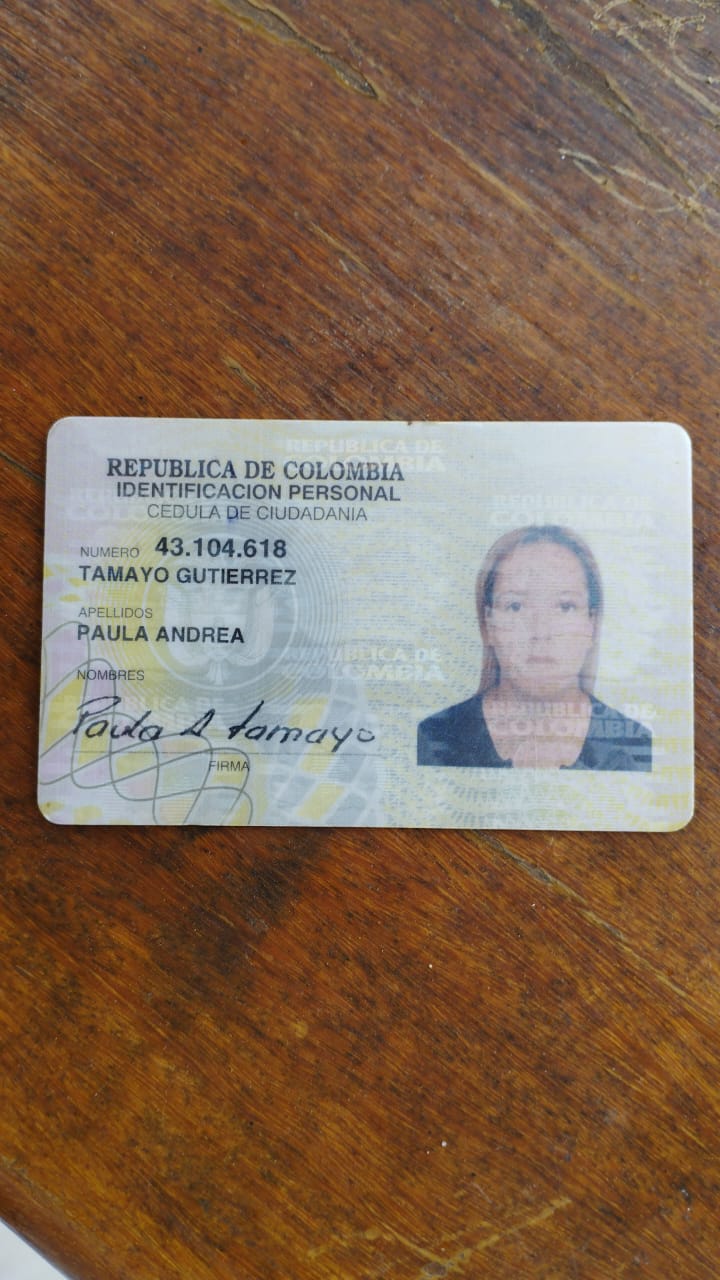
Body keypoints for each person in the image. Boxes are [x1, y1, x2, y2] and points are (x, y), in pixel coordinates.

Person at [417, 525, 652, 770]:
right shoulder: (433, 740)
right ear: (488, 624)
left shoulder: (638, 748)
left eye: (565, 606)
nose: (541, 632)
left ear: (591, 623)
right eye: (515, 606)